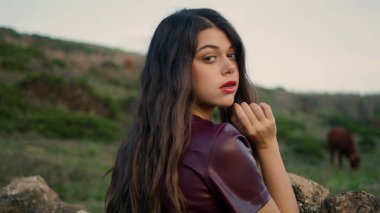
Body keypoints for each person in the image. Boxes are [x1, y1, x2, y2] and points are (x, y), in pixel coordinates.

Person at [106, 8, 299, 213]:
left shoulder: (140, 144)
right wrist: (267, 144)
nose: (229, 67)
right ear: (175, 68)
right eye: (209, 58)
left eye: (231, 54)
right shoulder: (221, 144)